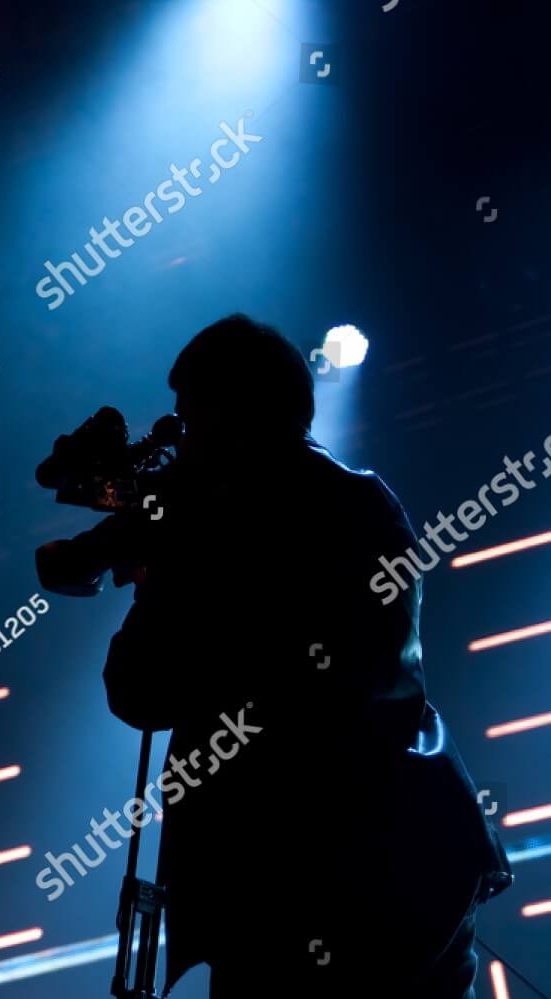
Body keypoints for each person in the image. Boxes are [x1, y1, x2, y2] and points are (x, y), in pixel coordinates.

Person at [37, 315, 511, 997]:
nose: (180, 441)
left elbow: (141, 686)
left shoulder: (237, 525)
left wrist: (167, 564)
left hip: (309, 891)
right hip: (396, 879)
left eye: (189, 419)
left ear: (234, 415)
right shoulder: (357, 500)